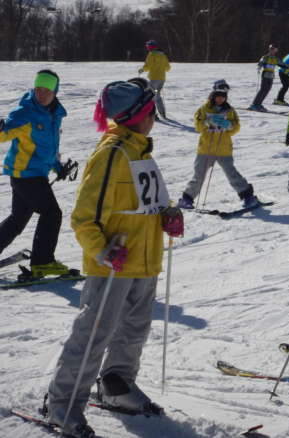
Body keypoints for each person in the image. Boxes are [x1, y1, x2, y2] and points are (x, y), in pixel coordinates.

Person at [45, 79, 184, 438]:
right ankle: (62, 404)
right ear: (136, 114)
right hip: (114, 262)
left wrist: (168, 214)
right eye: (150, 110)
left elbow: (148, 201)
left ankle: (117, 385)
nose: (154, 116)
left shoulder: (141, 151)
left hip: (144, 259)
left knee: (134, 330)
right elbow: (83, 217)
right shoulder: (111, 153)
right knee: (94, 334)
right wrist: (103, 249)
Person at [0, 69, 75, 279]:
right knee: (52, 214)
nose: (41, 94)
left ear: (55, 92)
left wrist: (58, 167)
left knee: (17, 220)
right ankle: (43, 262)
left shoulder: (54, 116)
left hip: (34, 175)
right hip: (26, 175)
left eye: (46, 90)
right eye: (38, 89)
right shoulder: (26, 112)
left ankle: (42, 260)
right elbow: (4, 132)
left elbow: (48, 148)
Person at [178, 79, 258, 209]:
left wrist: (229, 125)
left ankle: (248, 196)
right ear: (213, 95)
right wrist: (207, 122)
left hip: (223, 149)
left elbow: (236, 127)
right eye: (218, 96)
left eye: (223, 97)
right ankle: (187, 198)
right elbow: (198, 126)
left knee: (231, 173)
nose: (220, 99)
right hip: (206, 148)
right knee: (199, 175)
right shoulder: (204, 109)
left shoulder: (230, 110)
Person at [138, 39, 171, 119]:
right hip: (161, 79)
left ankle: (153, 115)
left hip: (154, 79)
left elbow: (148, 66)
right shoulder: (163, 55)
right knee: (157, 95)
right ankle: (162, 113)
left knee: (151, 96)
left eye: (148, 46)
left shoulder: (151, 55)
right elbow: (168, 68)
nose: (147, 48)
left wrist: (142, 69)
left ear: (151, 47)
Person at [249, 44, 286, 111]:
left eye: (274, 49)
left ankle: (259, 104)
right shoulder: (265, 57)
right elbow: (260, 62)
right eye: (271, 49)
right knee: (263, 89)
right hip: (265, 75)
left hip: (271, 76)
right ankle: (254, 104)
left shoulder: (276, 59)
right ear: (269, 49)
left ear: (276, 50)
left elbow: (282, 64)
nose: (272, 50)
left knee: (267, 90)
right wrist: (259, 67)